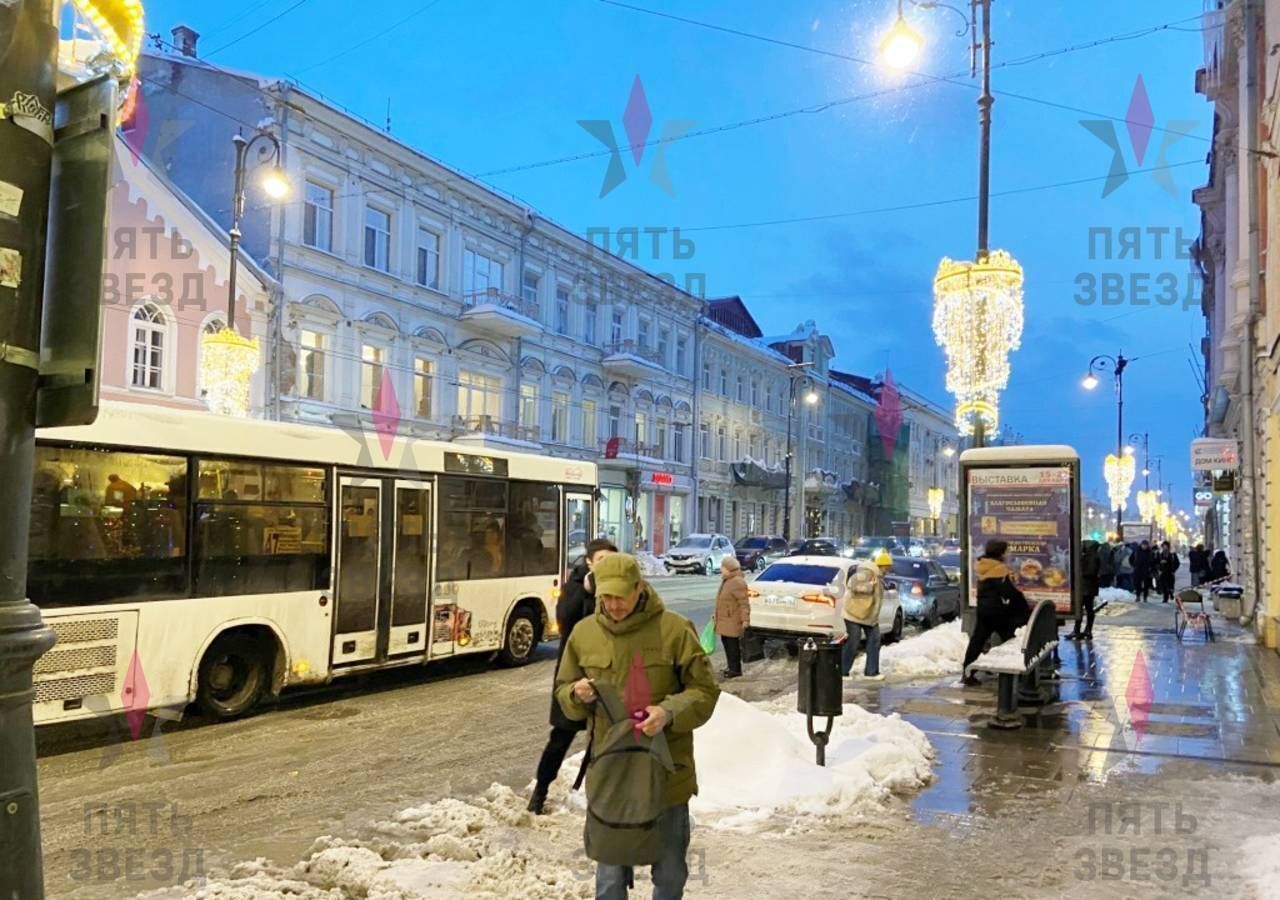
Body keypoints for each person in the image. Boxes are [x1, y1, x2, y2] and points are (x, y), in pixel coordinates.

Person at [556, 554, 720, 900]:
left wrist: (668, 712)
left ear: (639, 588)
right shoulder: (584, 634)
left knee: (670, 873)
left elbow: (705, 691)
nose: (613, 605)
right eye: (606, 597)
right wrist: (576, 693)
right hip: (611, 775)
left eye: (620, 596)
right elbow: (563, 694)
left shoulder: (675, 630)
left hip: (665, 774)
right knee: (611, 877)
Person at [528, 538, 617, 815]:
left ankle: (606, 799)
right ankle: (540, 791)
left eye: (611, 560)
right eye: (601, 559)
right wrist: (588, 592)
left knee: (611, 737)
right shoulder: (576, 586)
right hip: (575, 673)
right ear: (590, 561)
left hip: (610, 674)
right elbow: (565, 619)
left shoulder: (619, 589)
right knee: (561, 737)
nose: (606, 565)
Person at [961, 540, 1031, 686]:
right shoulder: (998, 569)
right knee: (1012, 640)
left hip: (984, 610)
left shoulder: (985, 565)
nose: (1007, 554)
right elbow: (1009, 593)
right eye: (1006, 551)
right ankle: (1013, 673)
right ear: (1000, 552)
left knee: (977, 641)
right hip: (997, 612)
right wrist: (1025, 606)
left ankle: (967, 673)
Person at [841, 554, 887, 681]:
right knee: (853, 641)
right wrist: (870, 586)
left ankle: (871, 672)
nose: (888, 571)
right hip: (853, 614)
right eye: (887, 567)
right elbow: (853, 585)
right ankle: (842, 671)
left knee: (874, 640)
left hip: (868, 616)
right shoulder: (866, 573)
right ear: (881, 566)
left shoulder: (877, 576)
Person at [714, 556, 750, 679]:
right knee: (727, 644)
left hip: (732, 620)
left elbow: (744, 603)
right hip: (726, 620)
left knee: (732, 646)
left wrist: (745, 620)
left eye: (723, 567)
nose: (721, 569)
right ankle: (731, 667)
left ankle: (735, 669)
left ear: (729, 568)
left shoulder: (737, 582)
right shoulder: (727, 580)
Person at [1072, 539, 1101, 640]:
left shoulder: (1091, 558)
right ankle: (1083, 629)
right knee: (1086, 608)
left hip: (1086, 587)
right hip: (1087, 587)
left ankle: (1082, 630)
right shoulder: (1093, 556)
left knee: (1084, 608)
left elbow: (1090, 572)